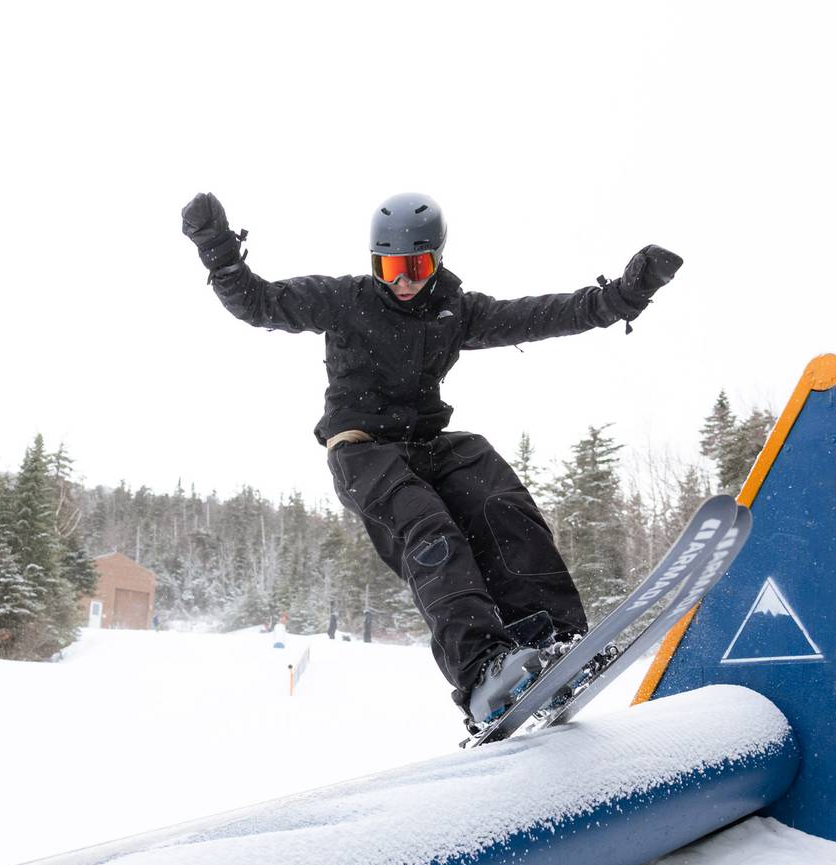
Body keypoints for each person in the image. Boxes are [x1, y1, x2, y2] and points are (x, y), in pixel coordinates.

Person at [180, 191, 681, 731]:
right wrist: (219, 250)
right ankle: (482, 670)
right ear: (374, 263)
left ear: (436, 258)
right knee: (428, 527)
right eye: (390, 267)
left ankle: (550, 637)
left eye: (414, 266)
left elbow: (537, 316)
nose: (402, 281)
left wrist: (622, 299)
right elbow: (259, 303)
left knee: (496, 496)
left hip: (429, 443)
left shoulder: (454, 310)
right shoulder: (344, 300)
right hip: (362, 448)